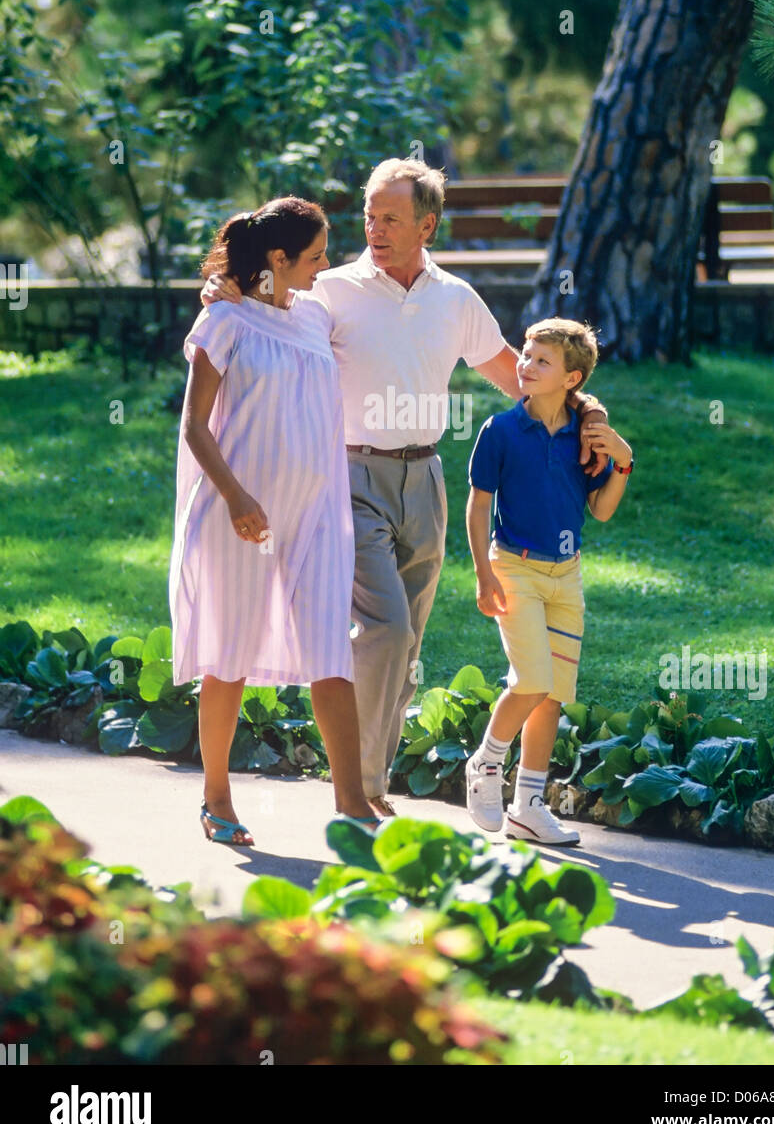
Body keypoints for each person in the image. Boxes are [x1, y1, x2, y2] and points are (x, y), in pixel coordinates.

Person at [201, 160, 609, 814]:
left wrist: (590, 412)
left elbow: (519, 378)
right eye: (369, 215)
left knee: (407, 640)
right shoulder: (327, 290)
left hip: (426, 479)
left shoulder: (455, 299)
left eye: (390, 217)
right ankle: (358, 788)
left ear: (427, 223)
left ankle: (372, 781)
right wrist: (221, 287)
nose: (375, 228)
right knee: (384, 630)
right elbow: (263, 304)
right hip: (349, 474)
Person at [170, 197, 376, 845]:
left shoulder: (315, 314)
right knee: (226, 659)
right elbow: (195, 426)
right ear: (279, 259)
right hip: (241, 518)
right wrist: (235, 497)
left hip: (314, 516)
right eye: (314, 256)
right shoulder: (224, 320)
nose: (324, 266)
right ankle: (216, 798)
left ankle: (353, 807)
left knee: (329, 650)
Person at [465, 317, 633, 846]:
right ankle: (487, 762)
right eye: (526, 355)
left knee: (554, 696)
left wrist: (623, 461)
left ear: (572, 379)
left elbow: (602, 510)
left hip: (568, 575)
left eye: (542, 361)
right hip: (514, 566)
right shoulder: (501, 430)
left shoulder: (587, 437)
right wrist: (483, 572)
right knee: (531, 681)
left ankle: (527, 808)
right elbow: (478, 506)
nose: (526, 366)